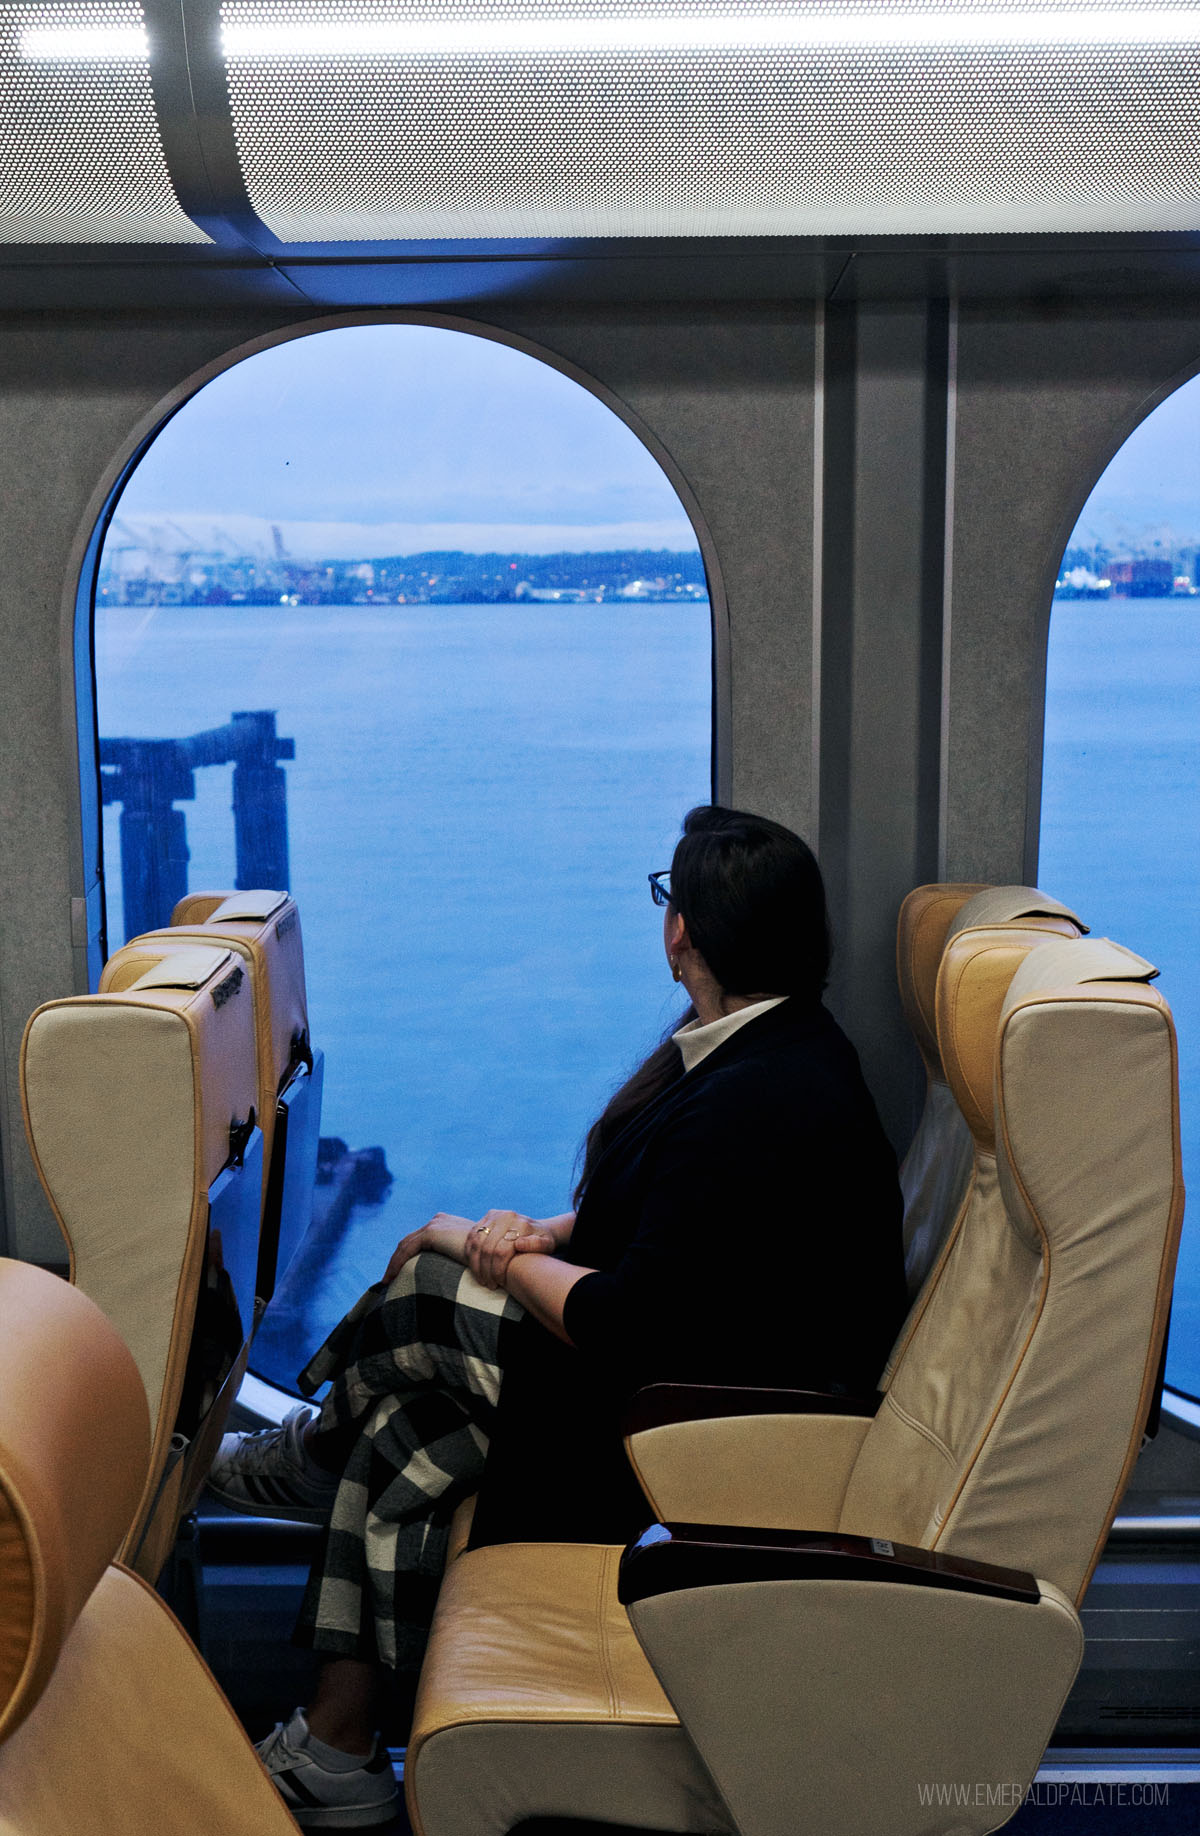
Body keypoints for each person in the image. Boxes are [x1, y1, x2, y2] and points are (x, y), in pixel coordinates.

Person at [208, 804, 907, 1829]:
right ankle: (339, 1748)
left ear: (686, 931)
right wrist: (539, 1232)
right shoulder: (752, 1050)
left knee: (429, 1290)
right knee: (410, 1442)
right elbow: (671, 1224)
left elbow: (628, 1321)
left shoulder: (769, 1093)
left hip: (704, 1428)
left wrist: (474, 1246)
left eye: (669, 898)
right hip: (694, 1374)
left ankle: (312, 1451)